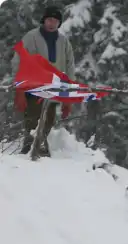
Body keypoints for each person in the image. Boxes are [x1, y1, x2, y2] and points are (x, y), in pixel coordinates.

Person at [11, 6, 76, 157]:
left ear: (59, 23)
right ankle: (30, 149)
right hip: (33, 87)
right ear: (44, 20)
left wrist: (68, 96)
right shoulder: (31, 37)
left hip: (54, 87)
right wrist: (19, 89)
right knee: (33, 118)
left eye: (55, 21)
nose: (52, 23)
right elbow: (18, 61)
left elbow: (70, 66)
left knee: (49, 119)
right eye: (49, 20)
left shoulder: (63, 41)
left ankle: (40, 147)